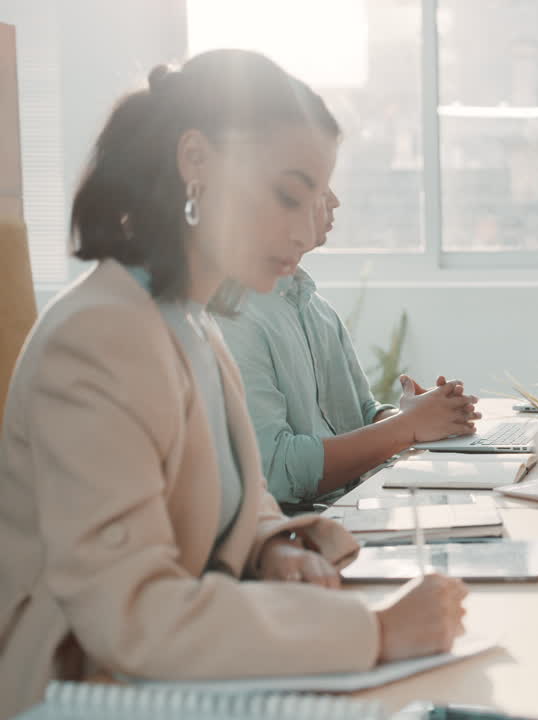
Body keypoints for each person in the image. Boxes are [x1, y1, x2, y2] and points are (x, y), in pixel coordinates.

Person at [0, 50, 466, 717]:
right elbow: (133, 617)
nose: (308, 230)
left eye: (318, 202)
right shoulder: (98, 338)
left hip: (168, 675)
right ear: (197, 161)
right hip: (84, 693)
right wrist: (378, 633)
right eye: (287, 195)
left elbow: (232, 502)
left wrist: (276, 546)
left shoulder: (194, 322)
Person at [218, 187, 480, 508]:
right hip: (298, 532)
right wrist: (407, 427)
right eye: (316, 185)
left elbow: (360, 415)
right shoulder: (235, 317)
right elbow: (276, 475)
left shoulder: (317, 309)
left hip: (353, 506)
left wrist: (419, 416)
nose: (335, 200)